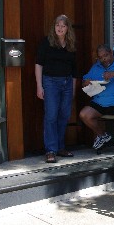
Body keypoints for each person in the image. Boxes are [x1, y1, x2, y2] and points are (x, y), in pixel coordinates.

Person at [35, 14, 78, 163]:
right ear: (54, 27)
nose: (60, 28)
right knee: (51, 116)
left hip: (67, 83)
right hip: (50, 82)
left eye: (63, 26)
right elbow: (38, 64)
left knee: (64, 115)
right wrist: (39, 86)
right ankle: (51, 150)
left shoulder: (71, 44)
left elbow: (74, 70)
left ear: (68, 29)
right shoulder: (47, 42)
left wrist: (73, 89)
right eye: (57, 25)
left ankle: (60, 147)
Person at [79, 44, 114, 150]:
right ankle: (102, 136)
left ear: (111, 52)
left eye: (105, 55)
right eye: (100, 57)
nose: (104, 59)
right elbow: (85, 83)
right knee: (84, 114)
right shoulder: (96, 67)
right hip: (101, 101)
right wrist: (87, 82)